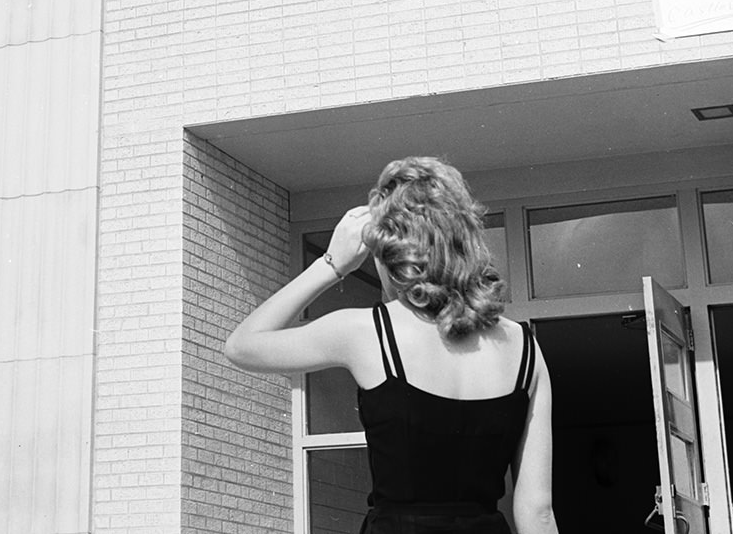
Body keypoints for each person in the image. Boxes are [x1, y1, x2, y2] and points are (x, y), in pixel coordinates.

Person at [225, 156, 558, 534]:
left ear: (391, 250)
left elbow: (242, 345)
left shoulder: (366, 331)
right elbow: (537, 511)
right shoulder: (523, 346)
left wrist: (332, 263)